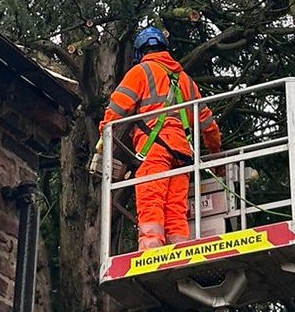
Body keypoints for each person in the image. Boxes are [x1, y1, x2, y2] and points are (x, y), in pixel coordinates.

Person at [93, 25, 221, 250]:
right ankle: (180, 250)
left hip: (155, 148)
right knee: (175, 206)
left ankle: (151, 249)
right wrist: (216, 156)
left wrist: (104, 135)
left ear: (140, 53)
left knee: (151, 197)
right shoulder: (187, 82)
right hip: (182, 153)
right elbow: (209, 127)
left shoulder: (141, 72)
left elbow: (117, 108)